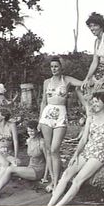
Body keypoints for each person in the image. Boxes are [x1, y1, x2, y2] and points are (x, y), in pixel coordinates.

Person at [39, 56, 83, 192]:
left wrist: (97, 79)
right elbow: (43, 101)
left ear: (61, 67)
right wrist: (40, 119)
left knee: (54, 149)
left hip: (61, 114)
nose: (54, 69)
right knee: (48, 149)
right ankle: (54, 181)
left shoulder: (67, 80)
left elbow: (83, 83)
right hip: (47, 115)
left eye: (56, 66)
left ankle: (57, 181)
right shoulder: (47, 82)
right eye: (52, 67)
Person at [0, 120, 47, 202]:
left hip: (38, 171)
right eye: (28, 131)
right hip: (30, 168)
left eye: (32, 131)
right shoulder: (29, 140)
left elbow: (49, 161)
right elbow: (31, 158)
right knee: (8, 167)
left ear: (37, 130)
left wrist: (45, 177)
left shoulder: (42, 142)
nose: (30, 133)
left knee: (10, 169)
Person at [77, 12, 104, 114]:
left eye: (95, 25)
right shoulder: (96, 41)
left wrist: (103, 80)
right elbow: (95, 62)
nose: (92, 28)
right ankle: (89, 113)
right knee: (80, 88)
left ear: (101, 26)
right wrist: (87, 78)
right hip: (99, 71)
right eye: (90, 26)